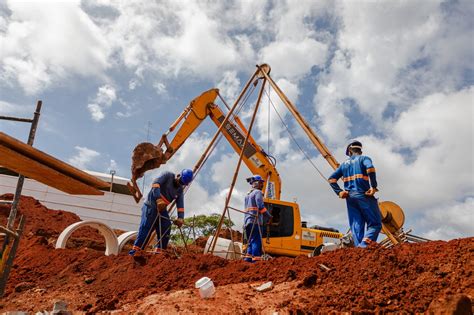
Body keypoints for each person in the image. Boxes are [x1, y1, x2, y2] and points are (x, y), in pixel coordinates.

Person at [328, 141, 382, 248]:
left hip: (350, 198)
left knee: (356, 225)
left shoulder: (344, 165)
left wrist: (339, 192)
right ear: (360, 150)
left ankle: (359, 249)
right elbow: (370, 168)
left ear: (350, 151)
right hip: (364, 195)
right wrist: (374, 186)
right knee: (375, 224)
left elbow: (331, 179)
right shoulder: (364, 159)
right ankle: (364, 245)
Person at [129, 169, 193, 256]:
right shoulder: (168, 175)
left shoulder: (180, 190)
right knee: (146, 228)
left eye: (183, 183)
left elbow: (180, 206)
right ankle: (135, 252)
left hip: (162, 210)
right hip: (151, 205)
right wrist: (158, 199)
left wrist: (180, 218)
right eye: (180, 181)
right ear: (178, 175)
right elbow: (156, 184)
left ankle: (159, 254)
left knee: (166, 226)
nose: (180, 184)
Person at [243, 175, 272, 262]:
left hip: (247, 222)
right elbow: (260, 206)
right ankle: (256, 261)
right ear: (256, 183)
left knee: (251, 241)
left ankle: (248, 259)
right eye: (261, 183)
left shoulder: (247, 195)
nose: (262, 185)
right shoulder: (257, 193)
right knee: (256, 241)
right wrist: (269, 216)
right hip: (255, 221)